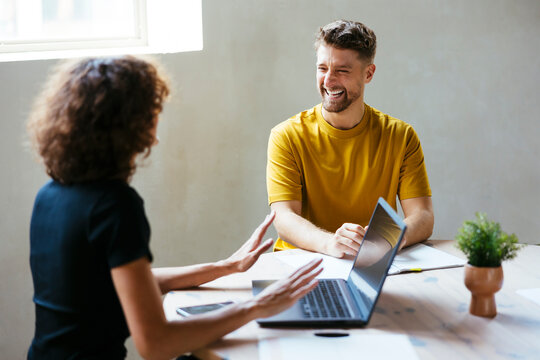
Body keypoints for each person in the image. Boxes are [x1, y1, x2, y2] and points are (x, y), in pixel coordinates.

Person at [26, 56, 322, 360]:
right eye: (152, 115)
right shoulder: (114, 206)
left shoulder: (50, 195)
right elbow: (156, 345)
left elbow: (126, 285)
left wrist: (227, 267)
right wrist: (256, 307)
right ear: (127, 124)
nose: (155, 134)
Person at [267, 20, 434, 258]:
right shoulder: (286, 136)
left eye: (342, 71)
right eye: (322, 68)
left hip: (371, 264)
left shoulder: (401, 136)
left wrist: (388, 238)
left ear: (368, 73)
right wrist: (330, 243)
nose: (328, 80)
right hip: (302, 265)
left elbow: (423, 216)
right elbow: (284, 217)